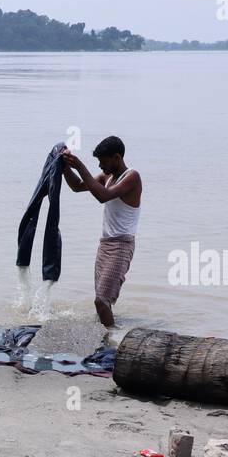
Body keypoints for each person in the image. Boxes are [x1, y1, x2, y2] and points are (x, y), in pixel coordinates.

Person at [61, 136, 141, 327]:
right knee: (101, 299)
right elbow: (78, 186)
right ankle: (106, 333)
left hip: (122, 245)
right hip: (105, 245)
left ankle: (110, 344)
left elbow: (102, 196)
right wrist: (65, 168)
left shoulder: (132, 177)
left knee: (101, 301)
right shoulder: (107, 177)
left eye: (102, 162)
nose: (100, 166)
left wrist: (79, 166)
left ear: (116, 157)